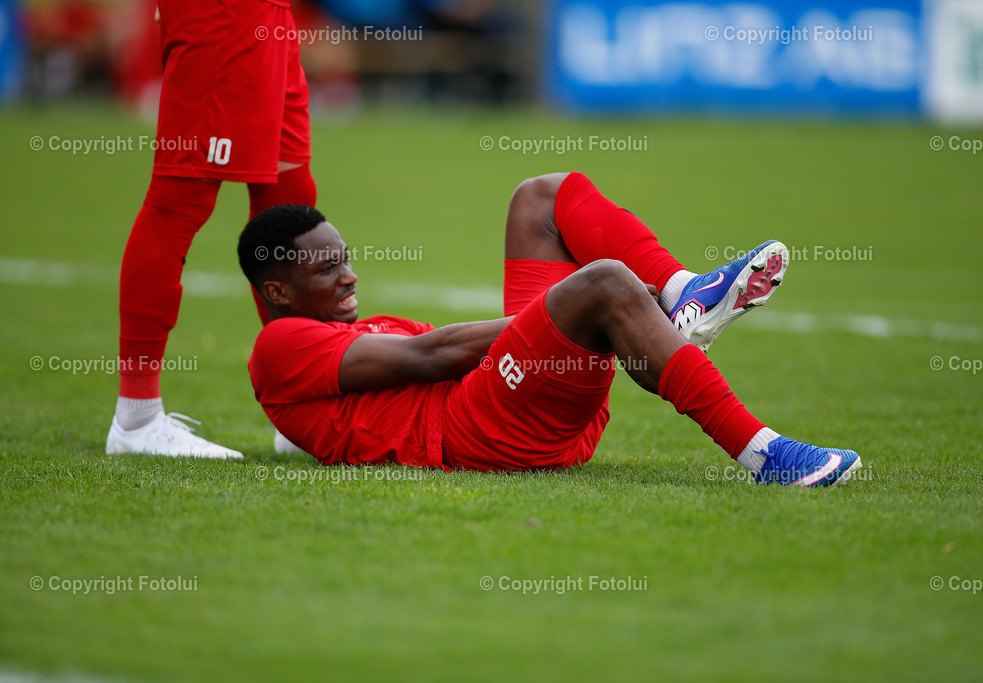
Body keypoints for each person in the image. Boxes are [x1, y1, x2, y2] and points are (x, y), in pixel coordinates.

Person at [237, 173, 863, 486]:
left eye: (345, 255)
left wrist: (558, 319)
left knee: (540, 196)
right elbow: (434, 355)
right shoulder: (279, 343)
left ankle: (679, 296)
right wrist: (563, 310)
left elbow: (335, 418)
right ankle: (765, 455)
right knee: (606, 282)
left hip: (514, 405)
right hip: (479, 431)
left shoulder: (330, 339)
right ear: (277, 292)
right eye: (326, 268)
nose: (348, 276)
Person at [106, 0, 318, 459]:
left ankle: (299, 408)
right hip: (224, 12)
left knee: (289, 191)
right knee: (180, 199)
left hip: (269, 13)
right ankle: (136, 417)